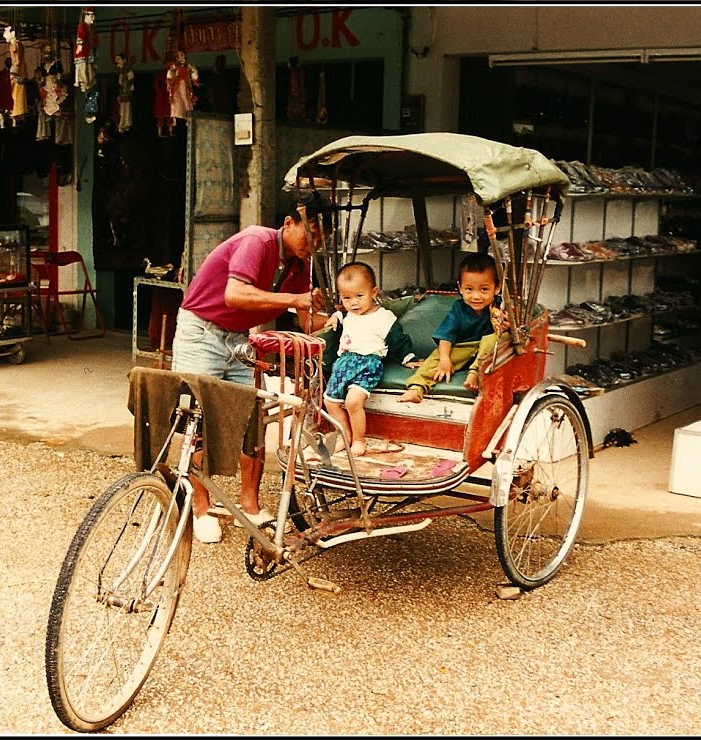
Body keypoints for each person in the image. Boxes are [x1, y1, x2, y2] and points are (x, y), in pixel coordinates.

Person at [170, 194, 330, 543]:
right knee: (200, 419)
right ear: (289, 224)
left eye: (320, 242)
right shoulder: (256, 240)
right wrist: (294, 300)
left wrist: (345, 318)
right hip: (202, 331)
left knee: (253, 421)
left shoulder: (300, 268)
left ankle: (250, 504)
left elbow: (307, 322)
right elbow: (235, 295)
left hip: (240, 338)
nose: (313, 246)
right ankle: (201, 507)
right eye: (311, 236)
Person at [321, 262, 418, 456]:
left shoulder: (384, 317)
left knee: (352, 401)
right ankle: (344, 435)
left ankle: (359, 439)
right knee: (330, 401)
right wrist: (335, 315)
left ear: (373, 293)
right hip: (343, 363)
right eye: (347, 298)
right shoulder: (347, 314)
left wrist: (408, 357)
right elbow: (342, 314)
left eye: (359, 296)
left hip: (367, 363)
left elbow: (398, 339)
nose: (354, 303)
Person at [398, 253, 505, 403]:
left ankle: (474, 373)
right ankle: (417, 388)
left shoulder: (501, 307)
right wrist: (444, 359)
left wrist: (505, 325)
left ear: (497, 288)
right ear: (460, 288)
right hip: (463, 348)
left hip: (489, 352)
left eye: (484, 290)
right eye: (469, 289)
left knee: (497, 338)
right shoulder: (459, 308)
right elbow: (446, 337)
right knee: (434, 360)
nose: (476, 296)